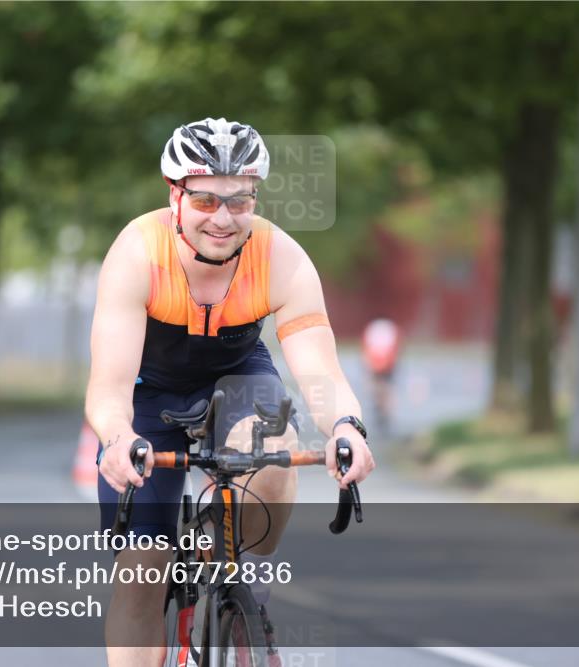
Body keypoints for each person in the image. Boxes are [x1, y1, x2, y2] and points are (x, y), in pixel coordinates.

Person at [84, 117, 375, 667]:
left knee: (274, 448)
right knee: (142, 571)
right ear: (175, 195)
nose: (223, 218)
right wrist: (117, 437)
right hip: (149, 396)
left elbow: (320, 372)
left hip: (238, 378)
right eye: (205, 201)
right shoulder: (136, 253)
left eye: (240, 201)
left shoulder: (281, 257)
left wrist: (346, 427)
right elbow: (108, 386)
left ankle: (243, 581)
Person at [361, 317, 401, 435]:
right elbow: (396, 347)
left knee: (378, 387)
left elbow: (366, 347)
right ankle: (386, 411)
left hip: (376, 362)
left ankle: (382, 409)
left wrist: (366, 364)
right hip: (388, 363)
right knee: (387, 388)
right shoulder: (391, 328)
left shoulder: (372, 328)